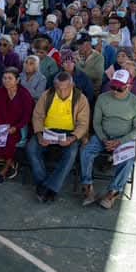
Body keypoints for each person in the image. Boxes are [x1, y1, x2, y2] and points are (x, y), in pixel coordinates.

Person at [79, 69, 136, 208]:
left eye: (119, 88)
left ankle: (113, 191)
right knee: (86, 151)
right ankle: (87, 186)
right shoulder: (103, 98)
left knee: (127, 160)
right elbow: (97, 122)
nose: (115, 91)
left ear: (129, 86)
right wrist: (104, 139)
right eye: (113, 87)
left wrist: (120, 141)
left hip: (124, 138)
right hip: (103, 136)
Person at [28, 72, 91, 203]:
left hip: (69, 133)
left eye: (66, 88)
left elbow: (83, 123)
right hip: (47, 131)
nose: (62, 92)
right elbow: (37, 116)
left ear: (72, 85)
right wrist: (39, 135)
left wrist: (72, 138)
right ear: (54, 86)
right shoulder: (47, 95)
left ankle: (49, 187)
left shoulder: (81, 99)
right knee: (31, 148)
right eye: (58, 88)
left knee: (71, 153)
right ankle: (45, 184)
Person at [0, 67, 34, 184]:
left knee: (9, 141)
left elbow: (27, 116)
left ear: (17, 80)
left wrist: (15, 127)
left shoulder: (24, 95)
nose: (6, 81)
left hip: (15, 128)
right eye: (4, 78)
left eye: (10, 78)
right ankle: (8, 163)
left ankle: (4, 171)